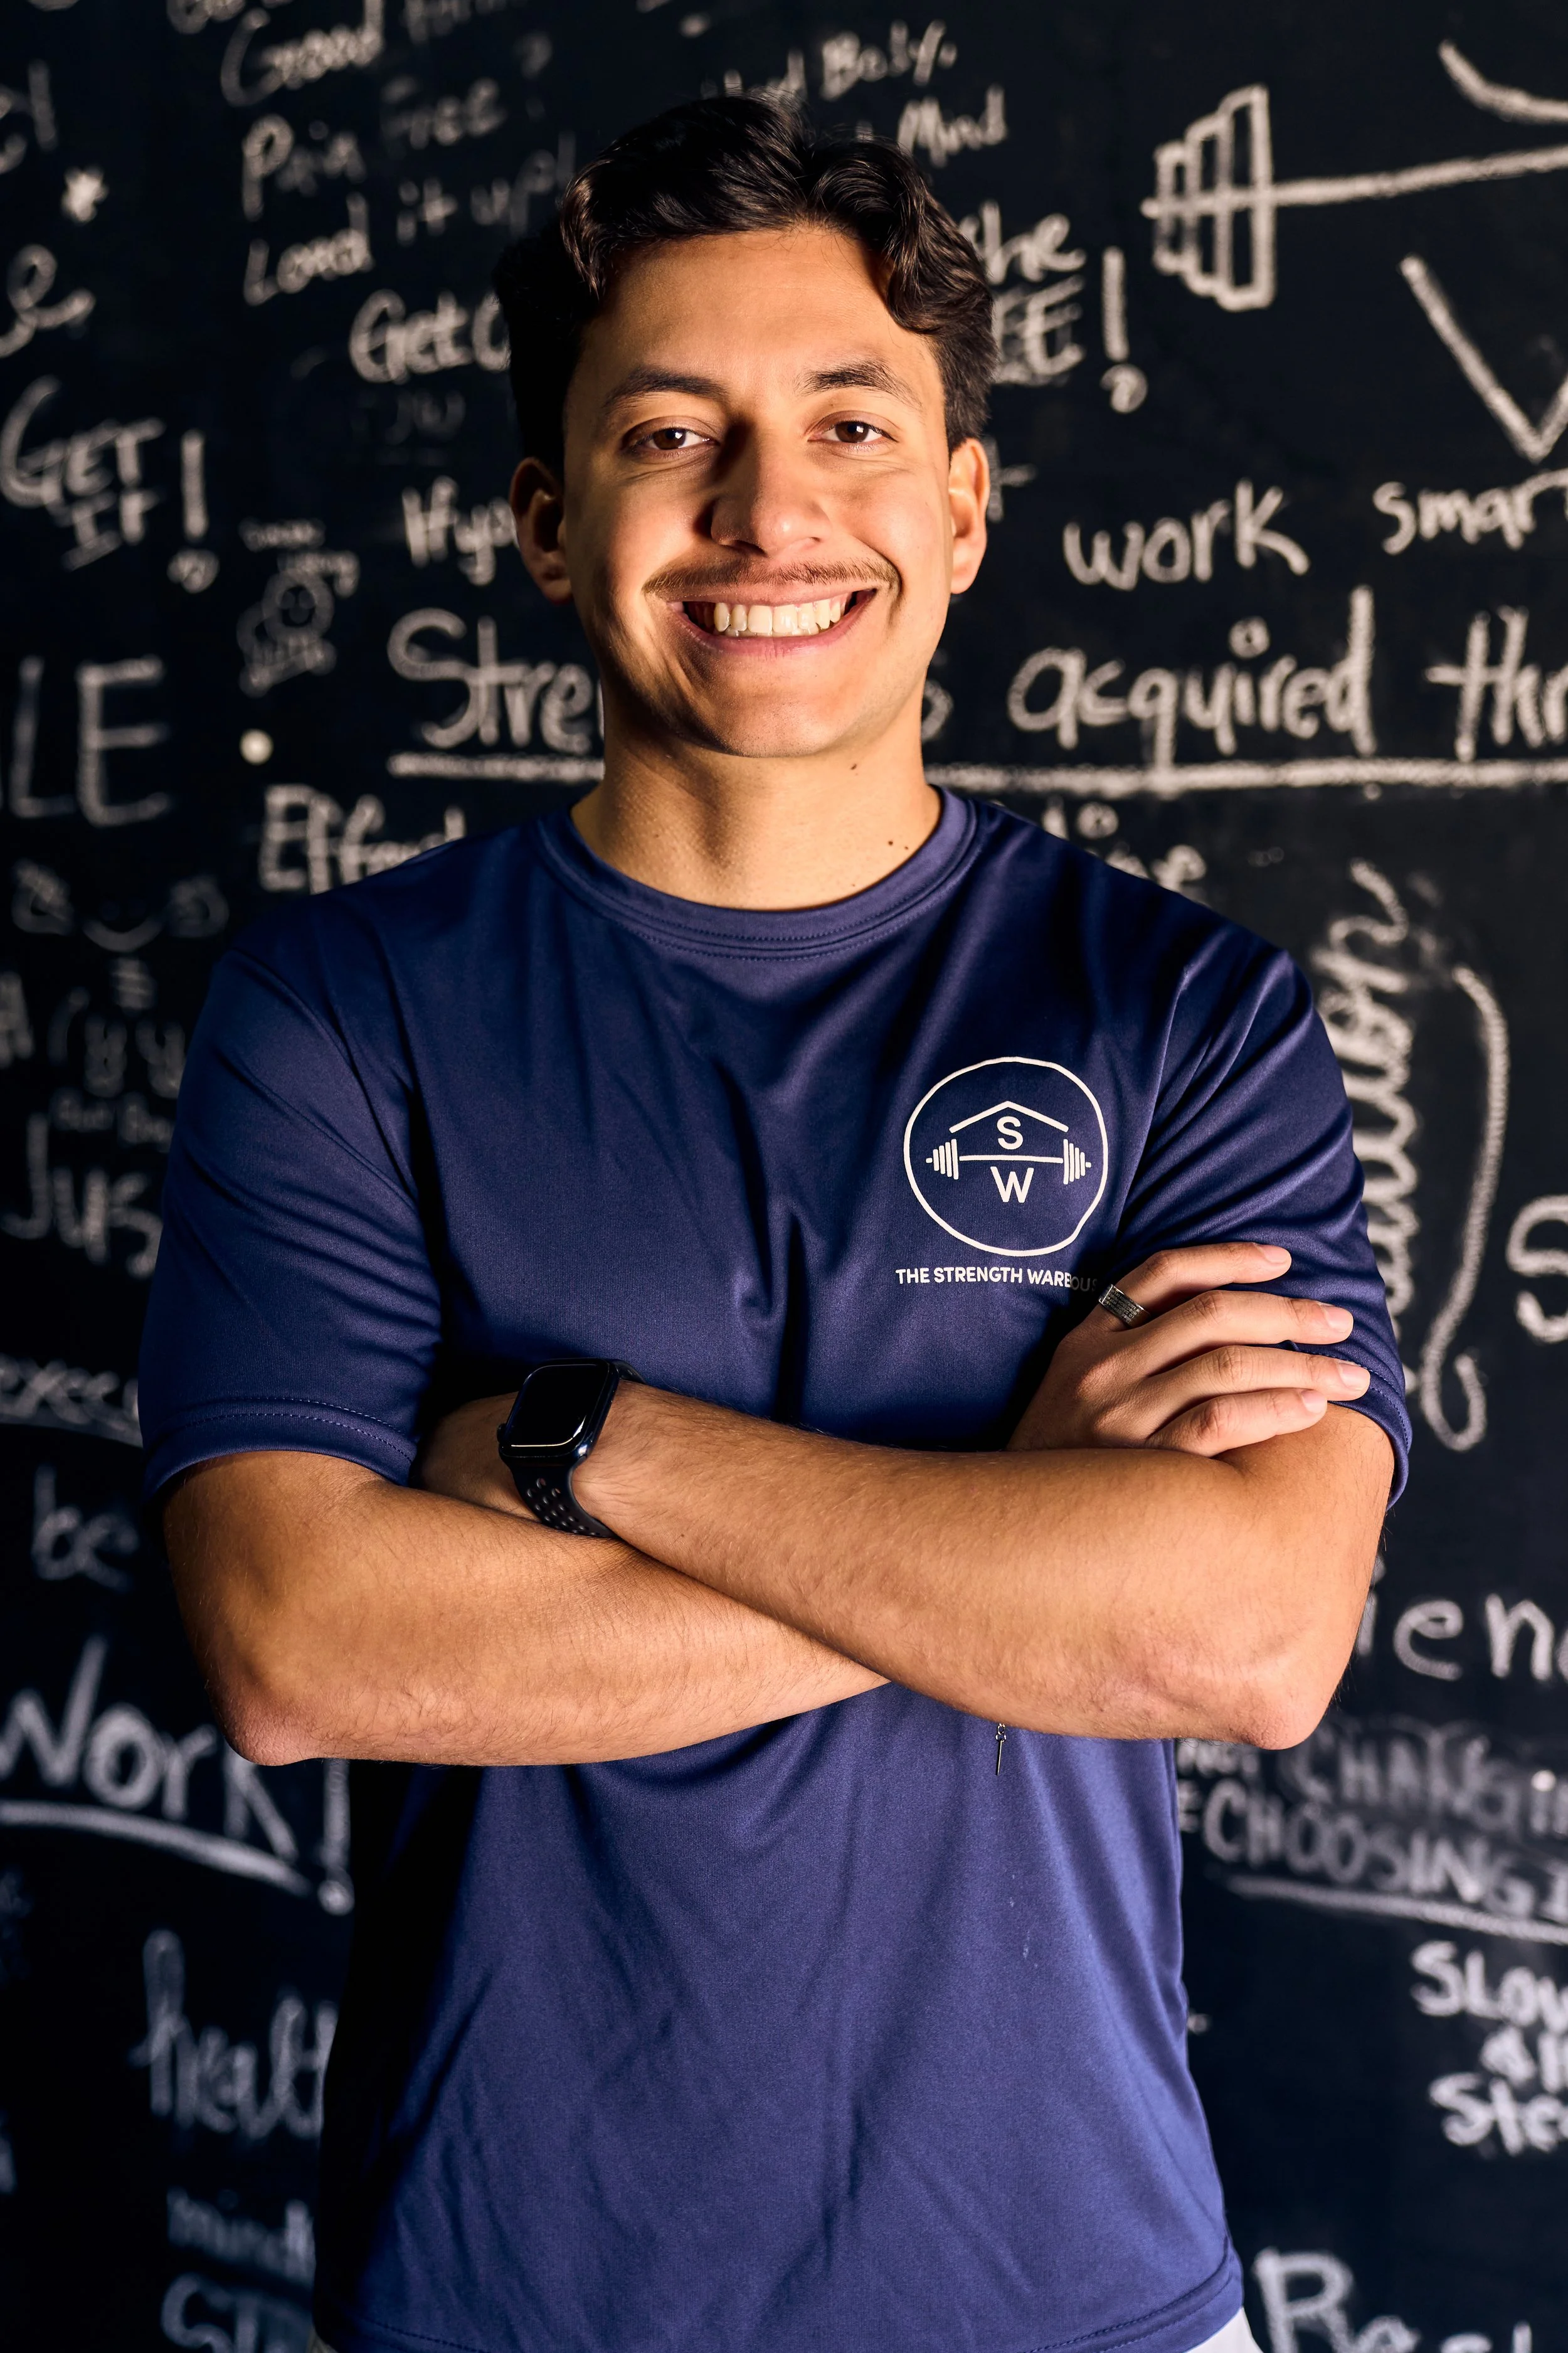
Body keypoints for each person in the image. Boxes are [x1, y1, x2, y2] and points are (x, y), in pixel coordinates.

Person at [140, 95, 1407, 2353]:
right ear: (548, 522)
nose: (767, 512)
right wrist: (1018, 1538)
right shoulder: (339, 1012)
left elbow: (1248, 1638)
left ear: (963, 503)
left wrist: (578, 1443)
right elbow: (300, 1643)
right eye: (664, 432)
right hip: (509, 2301)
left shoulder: (1181, 1012)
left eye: (848, 421)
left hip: (1082, 2299)